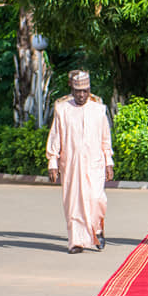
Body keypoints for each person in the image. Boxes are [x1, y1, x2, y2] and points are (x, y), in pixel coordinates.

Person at [46, 70, 114, 254]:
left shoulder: (98, 109)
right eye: (78, 91)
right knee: (73, 203)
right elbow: (56, 137)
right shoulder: (62, 109)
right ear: (72, 89)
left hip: (95, 164)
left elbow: (105, 139)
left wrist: (109, 161)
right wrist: (53, 162)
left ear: (89, 90)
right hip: (71, 165)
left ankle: (97, 229)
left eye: (85, 91)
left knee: (96, 199)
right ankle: (76, 241)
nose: (81, 95)